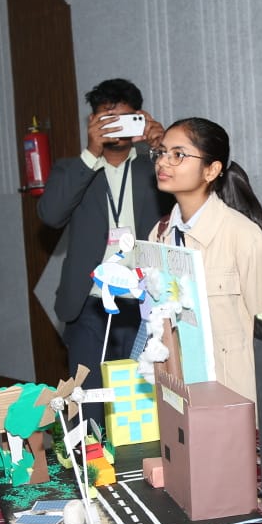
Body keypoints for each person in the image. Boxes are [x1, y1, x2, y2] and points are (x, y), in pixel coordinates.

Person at [38, 78, 171, 412]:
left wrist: (162, 148)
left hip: (146, 302)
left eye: (125, 119)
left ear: (140, 119)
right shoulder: (73, 169)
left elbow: (183, 206)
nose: (116, 128)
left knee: (140, 409)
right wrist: (90, 153)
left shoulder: (154, 166)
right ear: (92, 122)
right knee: (88, 404)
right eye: (107, 120)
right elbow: (50, 215)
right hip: (90, 303)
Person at [148, 116, 262, 403]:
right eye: (161, 152)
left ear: (211, 170)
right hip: (180, 392)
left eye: (178, 155)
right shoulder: (159, 234)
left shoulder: (245, 238)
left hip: (235, 397)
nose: (163, 162)